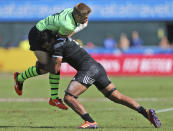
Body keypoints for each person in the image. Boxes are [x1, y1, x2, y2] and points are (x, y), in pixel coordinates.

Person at [49, 38, 161, 129]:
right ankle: (145, 112)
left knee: (69, 97)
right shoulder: (67, 40)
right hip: (97, 67)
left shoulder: (58, 44)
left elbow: (57, 64)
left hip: (88, 70)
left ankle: (90, 121)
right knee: (116, 96)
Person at [13, 3, 91, 110]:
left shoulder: (71, 12)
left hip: (48, 34)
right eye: (84, 17)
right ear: (77, 16)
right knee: (48, 66)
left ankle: (52, 97)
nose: (86, 19)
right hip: (38, 35)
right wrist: (81, 26)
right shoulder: (67, 25)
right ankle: (20, 78)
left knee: (52, 65)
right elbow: (62, 37)